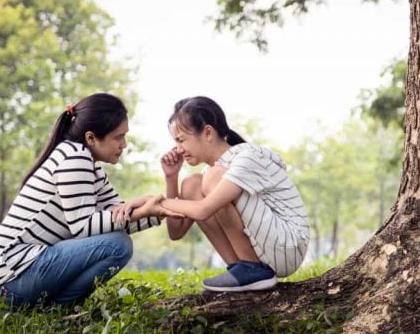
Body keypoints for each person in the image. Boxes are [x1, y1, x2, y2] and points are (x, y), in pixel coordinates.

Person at [0, 92, 172, 308]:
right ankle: (58, 306)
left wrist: (158, 208)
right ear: (91, 138)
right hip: (9, 282)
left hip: (16, 277)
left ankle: (53, 306)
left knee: (118, 239)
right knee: (118, 245)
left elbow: (120, 217)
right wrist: (143, 210)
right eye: (118, 137)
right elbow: (83, 227)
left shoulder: (90, 167)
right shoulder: (74, 158)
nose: (124, 144)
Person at [115, 96, 310, 292]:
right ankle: (240, 269)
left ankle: (252, 269)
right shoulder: (211, 173)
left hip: (287, 246)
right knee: (191, 184)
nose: (178, 149)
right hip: (270, 245)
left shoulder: (246, 157)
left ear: (208, 132)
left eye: (181, 140)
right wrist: (171, 178)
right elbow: (176, 231)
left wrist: (152, 200)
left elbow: (203, 210)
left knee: (211, 178)